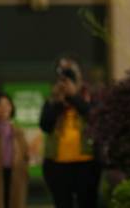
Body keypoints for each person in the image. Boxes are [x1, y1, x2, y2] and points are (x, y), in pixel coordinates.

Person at [40, 57, 99, 208]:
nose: (66, 78)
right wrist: (59, 101)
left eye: (70, 72)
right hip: (57, 165)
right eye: (62, 73)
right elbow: (45, 125)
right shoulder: (52, 99)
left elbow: (94, 117)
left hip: (86, 163)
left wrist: (74, 97)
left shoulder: (90, 96)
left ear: (79, 74)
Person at [0, 93, 29, 208]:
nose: (4, 108)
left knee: (14, 202)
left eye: (7, 104)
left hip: (15, 173)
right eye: (0, 104)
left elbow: (25, 154)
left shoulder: (18, 131)